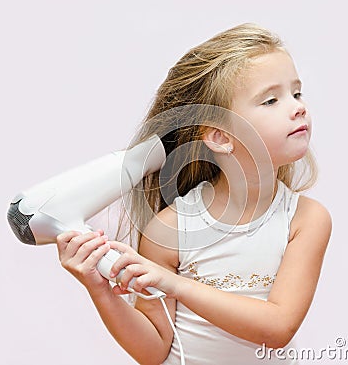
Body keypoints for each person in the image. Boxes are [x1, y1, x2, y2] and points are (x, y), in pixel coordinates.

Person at [56, 23, 332, 364]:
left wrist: (173, 284)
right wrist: (100, 290)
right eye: (271, 100)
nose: (298, 107)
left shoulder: (304, 220)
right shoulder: (169, 229)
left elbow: (277, 327)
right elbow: (154, 350)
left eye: (297, 93)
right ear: (219, 137)